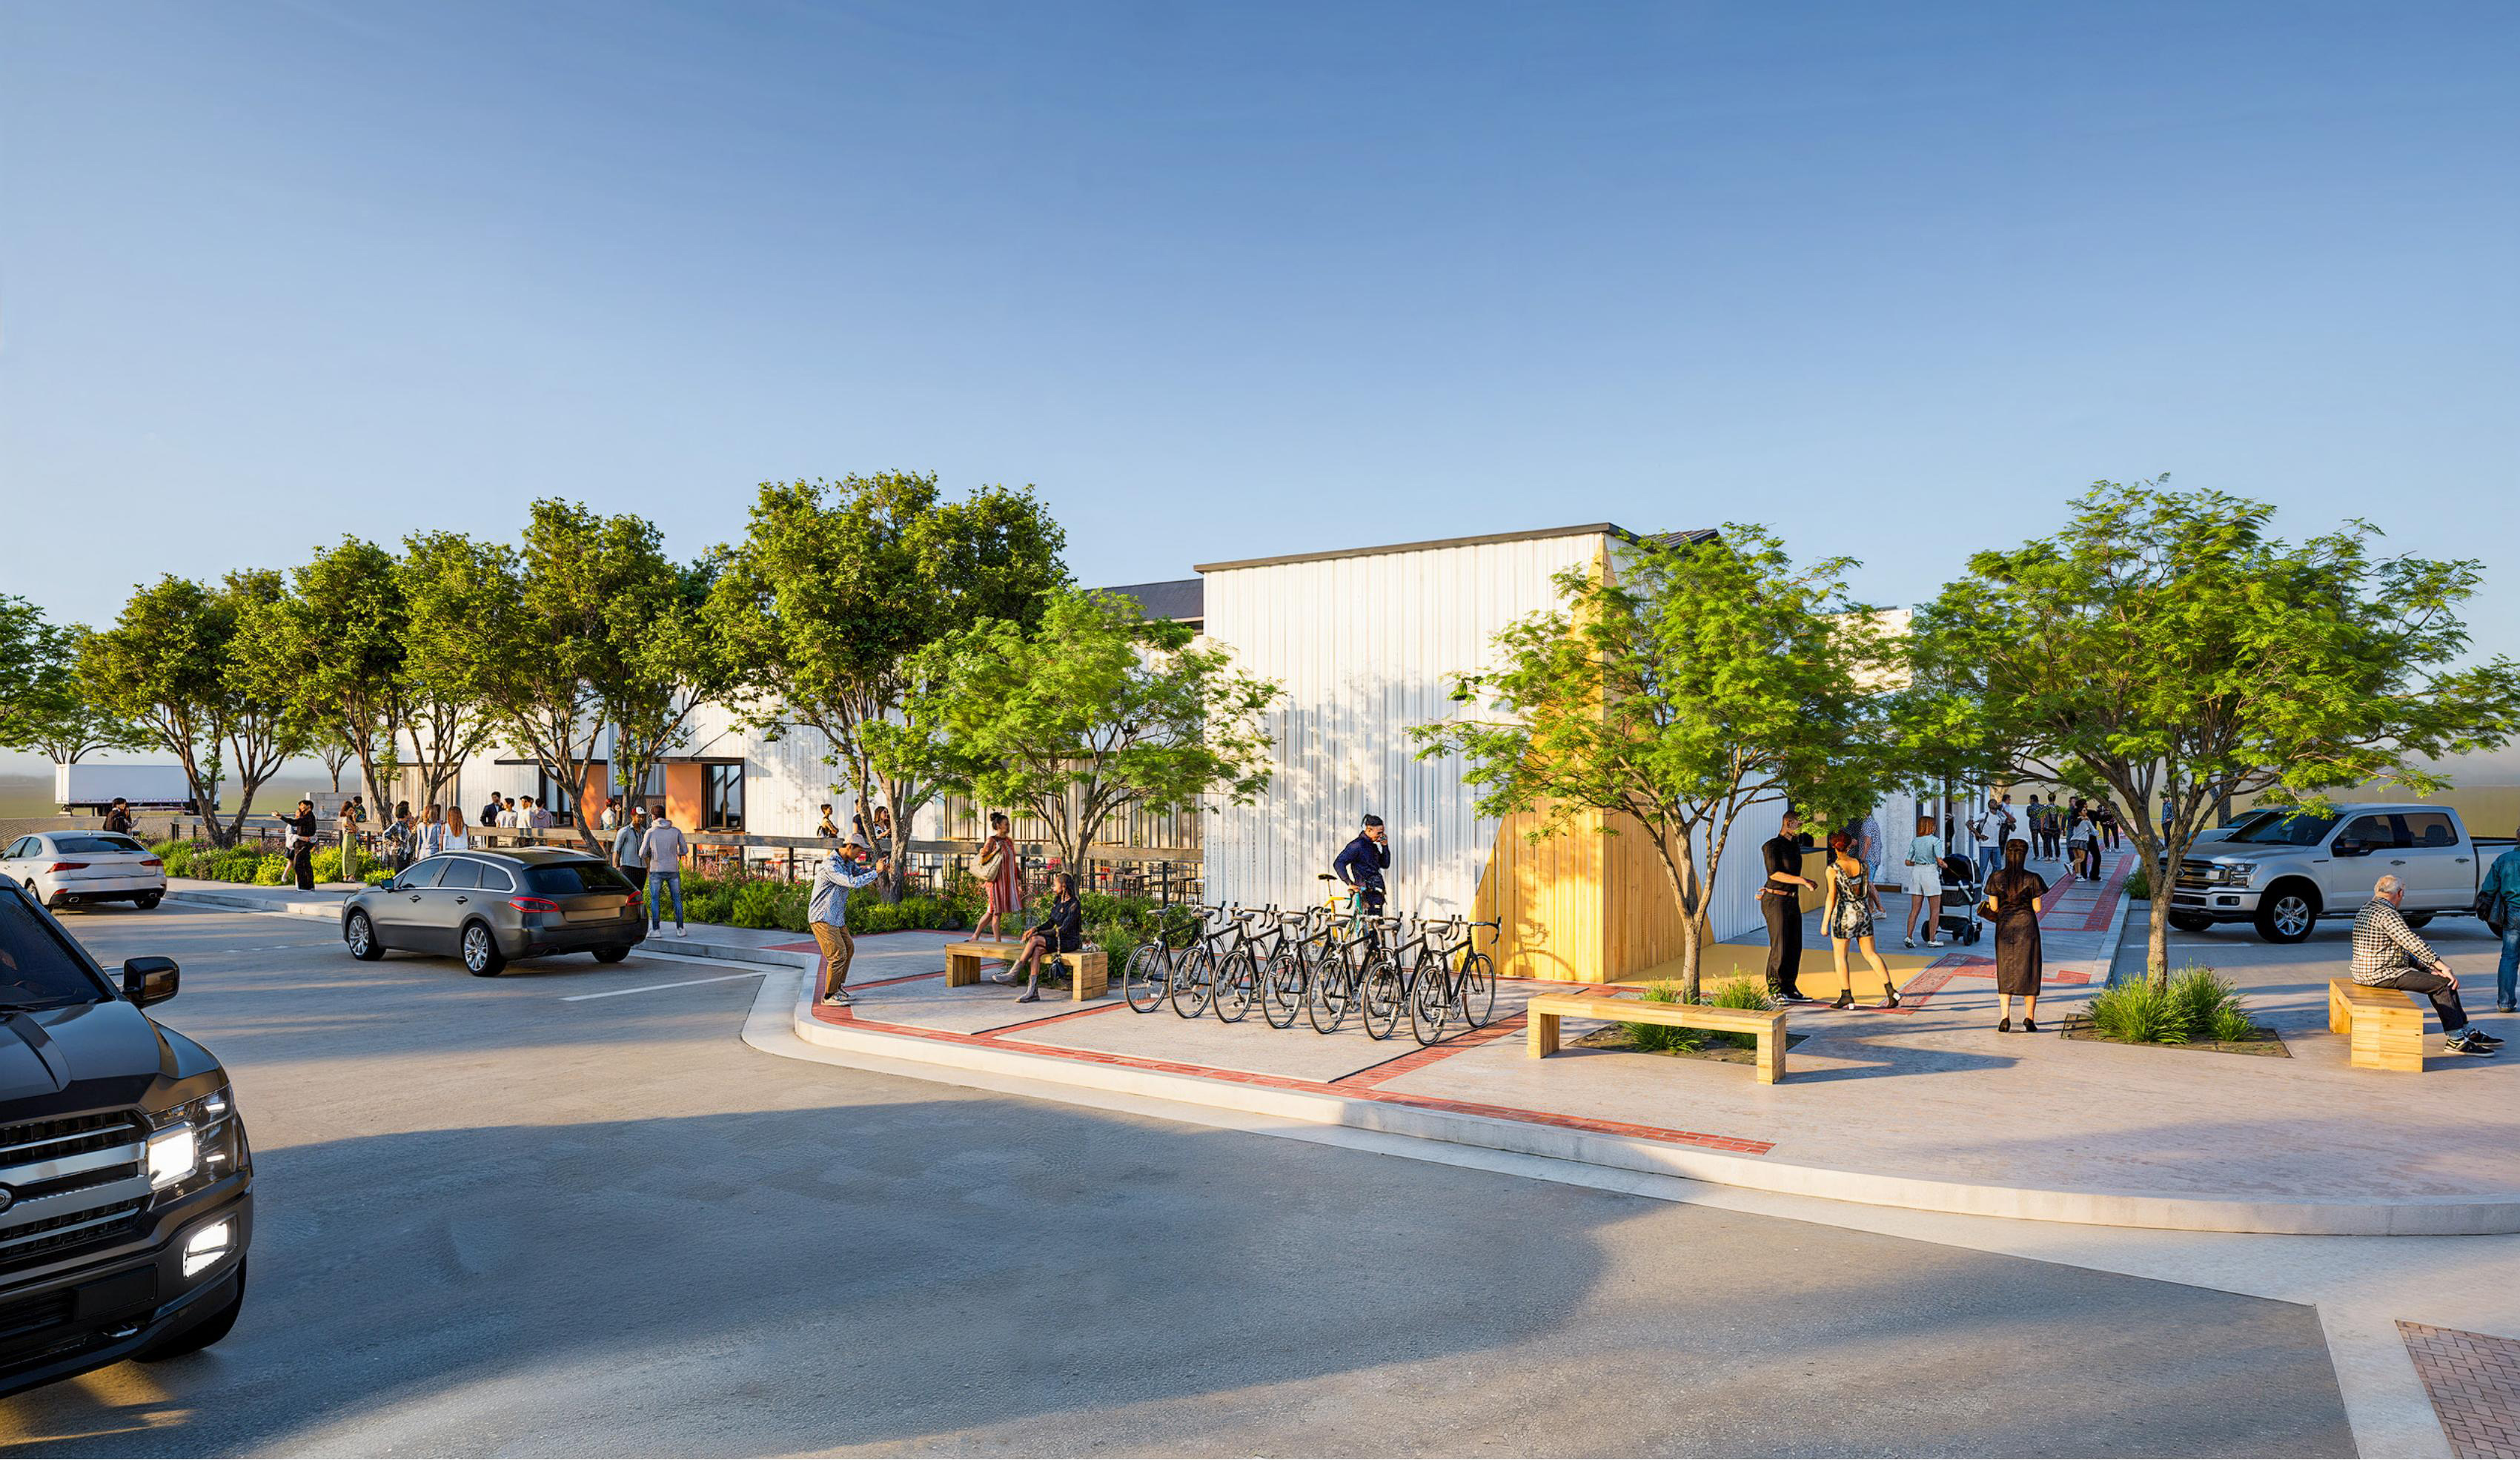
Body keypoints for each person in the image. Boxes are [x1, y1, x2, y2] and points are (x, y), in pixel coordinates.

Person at [2354, 875, 2498, 1056]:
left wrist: (2429, 969)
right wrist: (2443, 966)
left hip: (2369, 972)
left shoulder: (2367, 908)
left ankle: (2465, 1030)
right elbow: (2413, 943)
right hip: (2382, 974)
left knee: (2440, 979)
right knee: (2443, 985)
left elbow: (2400, 950)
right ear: (2399, 893)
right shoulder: (2387, 914)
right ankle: (2457, 1040)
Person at [1978, 838, 2053, 1031]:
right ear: (2025, 855)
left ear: (2007, 853)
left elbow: (1993, 907)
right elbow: (2037, 908)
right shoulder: (2033, 878)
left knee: (2005, 967)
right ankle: (2029, 1019)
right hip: (2027, 925)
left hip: (2004, 925)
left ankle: (2005, 1018)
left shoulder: (1996, 877)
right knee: (2030, 968)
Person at [1821, 832, 1898, 1010]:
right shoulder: (1863, 865)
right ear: (1850, 846)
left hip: (1844, 915)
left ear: (1834, 847)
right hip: (1863, 912)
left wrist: (1825, 924)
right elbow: (1869, 887)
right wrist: (1878, 906)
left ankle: (1846, 995)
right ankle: (1890, 991)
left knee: (1841, 956)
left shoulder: (1832, 869)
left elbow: (1831, 897)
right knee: (1871, 953)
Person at [992, 871, 1084, 1004]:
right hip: (1057, 939)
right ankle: (1032, 992)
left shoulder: (1075, 904)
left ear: (1063, 886)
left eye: (1055, 885)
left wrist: (1038, 935)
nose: (1053, 888)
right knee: (1037, 950)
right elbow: (1050, 923)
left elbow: (1063, 930)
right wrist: (1035, 929)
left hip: (1069, 941)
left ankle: (1014, 974)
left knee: (1035, 940)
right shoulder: (1058, 901)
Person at [811, 840, 883, 1005]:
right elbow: (852, 882)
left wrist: (878, 869)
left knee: (849, 948)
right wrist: (876, 873)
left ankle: (837, 988)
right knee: (838, 954)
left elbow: (859, 873)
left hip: (836, 917)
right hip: (823, 917)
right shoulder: (831, 865)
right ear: (849, 846)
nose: (861, 854)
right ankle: (829, 996)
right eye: (859, 850)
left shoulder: (848, 862)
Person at [1759, 811, 1817, 1005]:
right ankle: (1774, 989)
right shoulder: (1772, 846)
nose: (1801, 828)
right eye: (1799, 824)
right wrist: (1803, 880)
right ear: (1788, 822)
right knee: (1780, 945)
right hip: (1775, 901)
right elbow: (1774, 874)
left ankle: (1789, 988)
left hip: (1792, 900)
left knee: (1794, 944)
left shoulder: (1794, 846)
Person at [2485, 828, 2520, 1014]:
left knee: (2509, 957)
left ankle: (2506, 1002)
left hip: (2512, 912)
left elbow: (2489, 887)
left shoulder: (2504, 859)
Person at [642, 804, 688, 938]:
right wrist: (675, 853)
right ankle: (680, 929)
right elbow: (685, 850)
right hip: (673, 869)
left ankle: (656, 930)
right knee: (677, 900)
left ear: (653, 816)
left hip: (656, 869)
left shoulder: (650, 832)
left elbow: (642, 853)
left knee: (655, 900)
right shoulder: (676, 831)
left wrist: (652, 853)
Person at [1902, 814, 1946, 949]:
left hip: (1916, 872)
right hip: (1930, 873)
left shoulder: (1915, 841)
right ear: (1931, 827)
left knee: (1915, 909)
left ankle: (1909, 937)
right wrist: (1944, 865)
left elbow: (1908, 862)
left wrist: (1918, 862)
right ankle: (1932, 939)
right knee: (1934, 910)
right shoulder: (1935, 841)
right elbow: (1939, 860)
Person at [1333, 814, 1390, 917]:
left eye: (1383, 832)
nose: (1381, 836)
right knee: (1368, 929)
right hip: (1364, 895)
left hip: (1377, 893)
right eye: (1379, 833)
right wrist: (1349, 883)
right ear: (1369, 830)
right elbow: (1339, 863)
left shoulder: (1372, 846)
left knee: (1377, 926)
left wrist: (1385, 846)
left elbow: (1385, 864)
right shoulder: (1357, 845)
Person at [975, 811, 1021, 939]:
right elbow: (983, 860)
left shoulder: (1009, 841)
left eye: (1009, 824)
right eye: (1006, 824)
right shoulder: (992, 840)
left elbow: (1012, 861)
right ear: (999, 826)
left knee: (994, 912)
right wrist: (995, 852)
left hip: (1005, 882)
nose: (1009, 826)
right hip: (995, 882)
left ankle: (976, 936)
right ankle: (997, 943)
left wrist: (1018, 878)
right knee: (995, 911)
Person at [282, 798, 319, 891]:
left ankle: (303, 886)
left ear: (308, 806)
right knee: (306, 864)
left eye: (302, 805)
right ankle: (309, 886)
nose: (300, 807)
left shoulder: (308, 817)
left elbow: (295, 823)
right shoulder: (307, 817)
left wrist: (281, 817)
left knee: (299, 864)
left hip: (304, 844)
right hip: (301, 844)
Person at [612, 803, 649, 883]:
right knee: (630, 892)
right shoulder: (624, 831)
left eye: (642, 817)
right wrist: (615, 866)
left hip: (642, 867)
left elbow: (646, 851)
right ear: (633, 816)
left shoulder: (645, 832)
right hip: (628, 866)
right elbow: (617, 849)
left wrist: (648, 867)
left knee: (640, 891)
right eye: (638, 816)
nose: (641, 819)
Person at [336, 800, 362, 883]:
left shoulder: (348, 819)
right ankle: (349, 875)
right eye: (350, 810)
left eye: (352, 810)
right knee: (349, 857)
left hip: (350, 838)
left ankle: (348, 875)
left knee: (350, 856)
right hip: (348, 838)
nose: (351, 812)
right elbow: (355, 830)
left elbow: (356, 830)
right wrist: (354, 821)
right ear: (345, 810)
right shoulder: (346, 820)